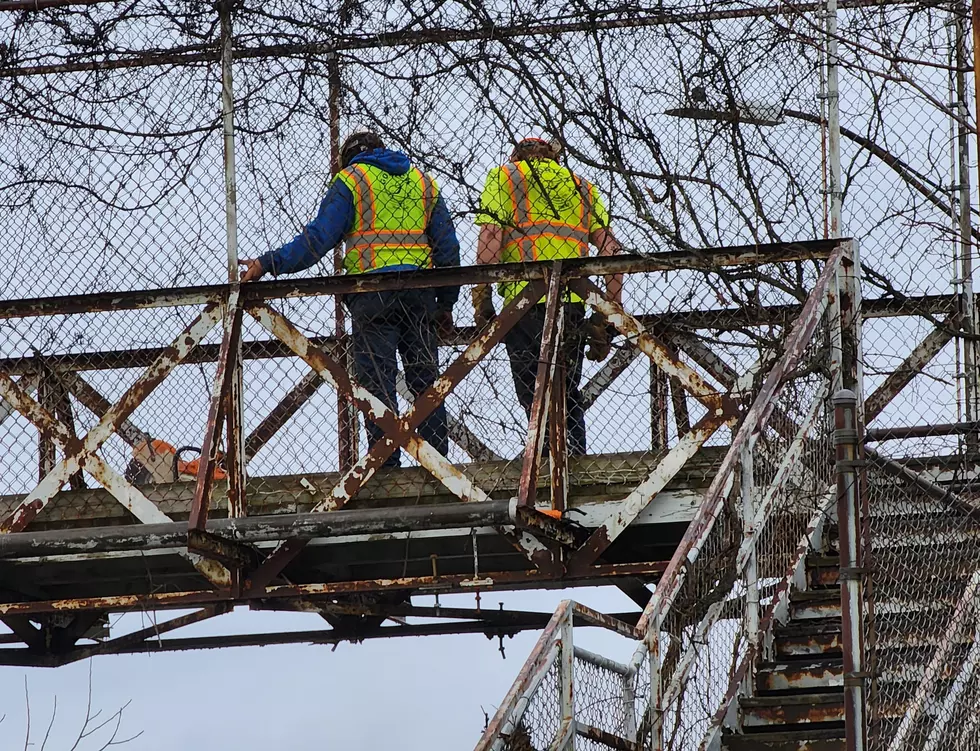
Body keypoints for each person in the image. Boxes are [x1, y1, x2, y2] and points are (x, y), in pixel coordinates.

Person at [240, 129, 460, 467]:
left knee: (377, 383)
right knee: (425, 381)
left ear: (348, 158)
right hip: (420, 295)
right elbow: (448, 248)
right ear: (381, 151)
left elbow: (317, 240)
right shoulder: (422, 181)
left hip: (372, 298)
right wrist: (445, 303)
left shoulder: (351, 180)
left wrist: (269, 263)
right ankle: (439, 468)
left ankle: (385, 468)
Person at [473, 136, 622, 455]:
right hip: (573, 304)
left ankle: (543, 463)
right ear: (553, 159)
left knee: (533, 391)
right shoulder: (581, 186)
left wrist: (482, 296)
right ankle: (573, 460)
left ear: (517, 156)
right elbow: (611, 249)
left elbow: (490, 238)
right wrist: (607, 313)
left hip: (523, 306)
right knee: (566, 391)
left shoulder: (506, 177)